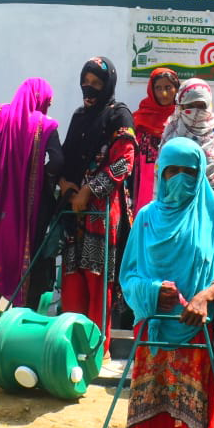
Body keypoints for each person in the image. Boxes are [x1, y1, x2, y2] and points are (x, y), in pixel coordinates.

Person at [120, 138, 214, 428]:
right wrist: (154, 291)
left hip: (195, 334)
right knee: (152, 423)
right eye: (174, 171)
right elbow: (129, 277)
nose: (182, 180)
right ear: (160, 173)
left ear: (201, 174)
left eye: (191, 172)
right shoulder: (145, 219)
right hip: (154, 334)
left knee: (197, 426)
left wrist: (206, 296)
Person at [0, 78, 62, 358]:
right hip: (28, 220)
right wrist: (44, 181)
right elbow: (56, 161)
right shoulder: (45, 126)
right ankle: (18, 345)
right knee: (28, 277)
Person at [59, 56, 136, 338]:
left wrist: (88, 192)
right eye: (85, 82)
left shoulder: (119, 115)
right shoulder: (79, 116)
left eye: (96, 83)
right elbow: (66, 157)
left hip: (101, 212)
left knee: (97, 278)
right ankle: (69, 343)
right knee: (71, 278)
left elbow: (124, 162)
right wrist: (66, 186)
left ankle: (95, 347)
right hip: (74, 212)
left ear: (107, 85)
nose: (88, 88)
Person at [163, 79, 214, 215]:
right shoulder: (172, 128)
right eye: (190, 106)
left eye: (200, 106)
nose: (195, 111)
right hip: (176, 202)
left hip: (212, 203)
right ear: (181, 105)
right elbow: (162, 168)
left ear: (208, 105)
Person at [131, 68, 179, 213]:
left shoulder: (183, 117)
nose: (163, 93)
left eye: (168, 87)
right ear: (151, 90)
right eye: (158, 88)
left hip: (175, 178)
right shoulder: (140, 118)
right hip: (144, 179)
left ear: (176, 89)